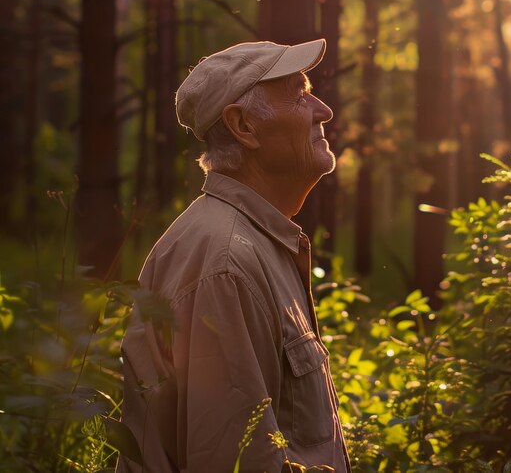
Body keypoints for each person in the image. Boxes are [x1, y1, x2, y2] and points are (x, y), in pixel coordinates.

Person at [116, 39, 350, 473]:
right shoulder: (224, 263)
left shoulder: (248, 243)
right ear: (243, 126)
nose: (323, 110)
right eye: (299, 95)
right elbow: (229, 458)